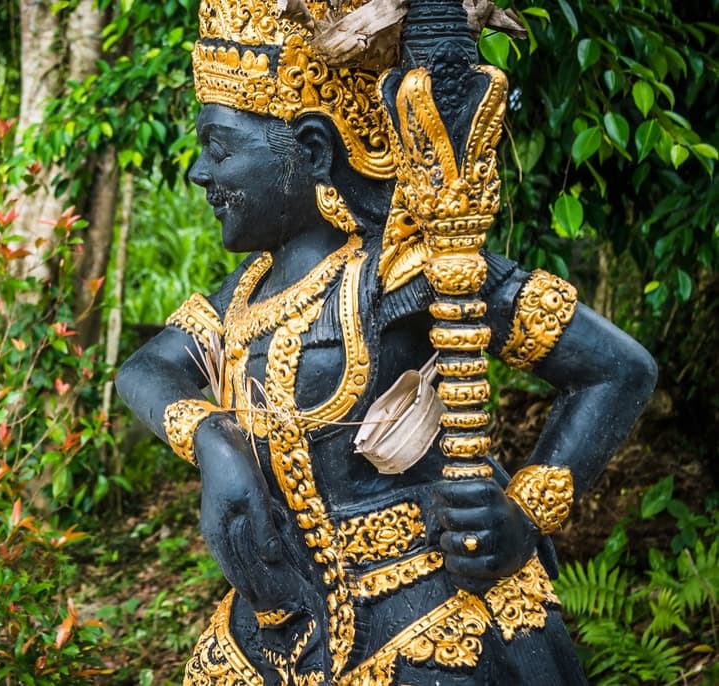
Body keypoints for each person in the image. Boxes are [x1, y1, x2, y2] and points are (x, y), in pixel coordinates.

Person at [115, 0, 658, 683]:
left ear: (312, 148)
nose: (199, 173)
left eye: (218, 148)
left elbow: (615, 371)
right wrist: (214, 440)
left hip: (421, 610)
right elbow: (145, 369)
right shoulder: (246, 292)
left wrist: (522, 514)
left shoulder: (406, 270)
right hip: (273, 623)